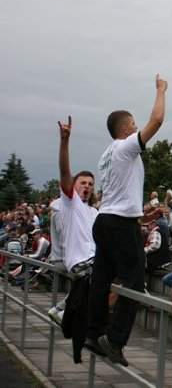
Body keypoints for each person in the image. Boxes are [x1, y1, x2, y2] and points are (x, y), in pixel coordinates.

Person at [86, 74, 167, 366]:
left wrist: (142, 216)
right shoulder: (125, 146)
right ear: (124, 129)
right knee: (134, 280)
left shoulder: (106, 155)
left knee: (101, 279)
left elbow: (119, 193)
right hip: (120, 224)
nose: (136, 128)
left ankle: (93, 334)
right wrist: (161, 91)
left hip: (106, 219)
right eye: (133, 124)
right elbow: (157, 120)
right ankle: (115, 340)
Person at [49, 116, 98, 324]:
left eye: (91, 184)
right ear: (74, 185)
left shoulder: (94, 212)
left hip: (92, 259)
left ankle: (62, 310)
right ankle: (68, 313)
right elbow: (64, 171)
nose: (87, 186)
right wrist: (64, 142)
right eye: (83, 183)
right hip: (79, 261)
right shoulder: (70, 204)